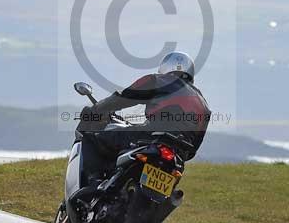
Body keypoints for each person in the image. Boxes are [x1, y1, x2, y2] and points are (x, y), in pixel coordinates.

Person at [77, 51, 211, 187]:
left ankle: (94, 183)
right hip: (178, 156)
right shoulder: (204, 105)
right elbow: (194, 147)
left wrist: (96, 110)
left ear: (165, 67)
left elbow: (123, 98)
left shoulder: (158, 80)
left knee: (91, 139)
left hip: (152, 136)